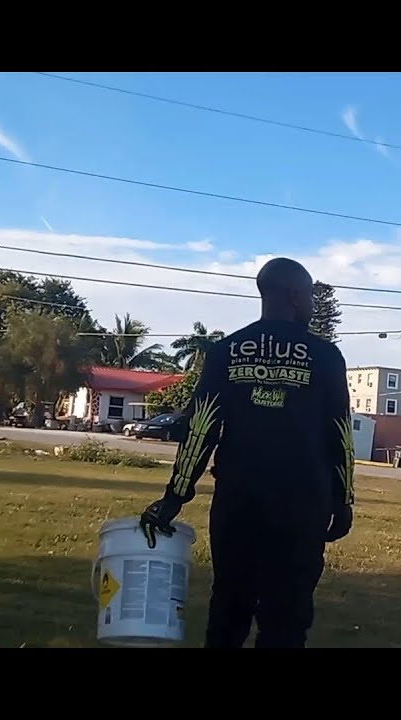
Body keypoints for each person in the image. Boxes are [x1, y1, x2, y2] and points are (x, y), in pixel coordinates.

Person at [138, 257, 356, 648]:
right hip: (303, 507)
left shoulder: (227, 351)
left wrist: (175, 496)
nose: (310, 304)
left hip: (238, 504)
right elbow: (339, 436)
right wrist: (343, 501)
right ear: (293, 295)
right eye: (308, 296)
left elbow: (200, 428)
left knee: (228, 607)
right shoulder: (325, 357)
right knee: (286, 617)